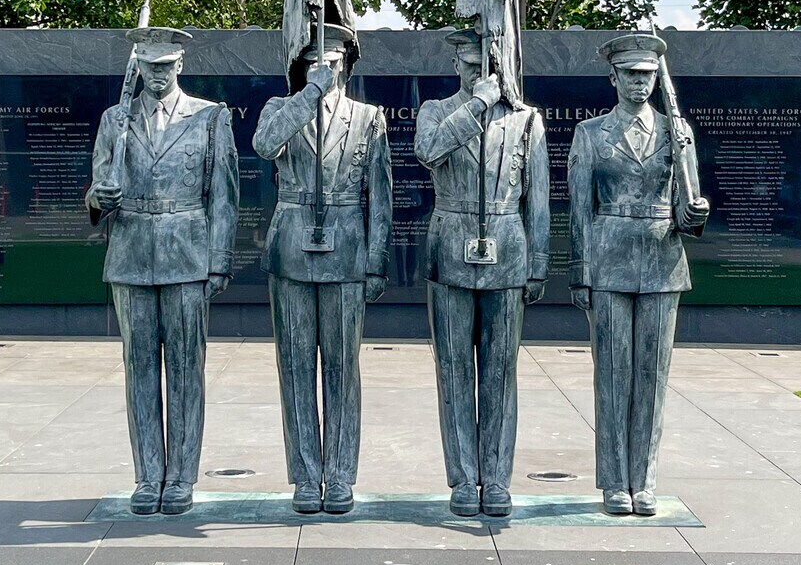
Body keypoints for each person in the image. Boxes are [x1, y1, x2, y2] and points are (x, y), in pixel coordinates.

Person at [86, 27, 239, 515]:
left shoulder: (210, 118)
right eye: (149, 66)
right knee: (140, 371)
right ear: (139, 67)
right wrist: (100, 199)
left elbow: (224, 196)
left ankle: (181, 478)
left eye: (165, 65)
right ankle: (148, 474)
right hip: (131, 253)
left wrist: (218, 261)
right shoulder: (116, 119)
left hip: (187, 252)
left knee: (186, 371)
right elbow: (96, 188)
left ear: (180, 66)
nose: (157, 75)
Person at [566, 32, 711, 515]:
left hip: (662, 260)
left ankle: (643, 479)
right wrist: (580, 271)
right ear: (613, 77)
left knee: (652, 376)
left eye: (647, 75)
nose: (639, 84)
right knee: (612, 375)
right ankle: (613, 481)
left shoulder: (678, 131)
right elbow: (579, 210)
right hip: (608, 258)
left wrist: (696, 210)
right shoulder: (590, 134)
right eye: (630, 74)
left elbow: (687, 213)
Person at [252, 27, 393, 515]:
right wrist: (308, 92)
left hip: (347, 247)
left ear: (347, 66)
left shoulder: (368, 118)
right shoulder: (280, 109)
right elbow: (265, 145)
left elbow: (382, 196)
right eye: (317, 60)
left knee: (341, 368)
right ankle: (305, 475)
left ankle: (340, 475)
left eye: (334, 61)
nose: (327, 68)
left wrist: (376, 262)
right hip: (291, 248)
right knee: (294, 368)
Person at [414, 28, 549, 518]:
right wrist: (477, 103)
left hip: (507, 249)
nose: (479, 74)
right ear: (456, 66)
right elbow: (428, 151)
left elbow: (537, 199)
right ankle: (462, 477)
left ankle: (496, 476)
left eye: (486, 66)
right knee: (452, 371)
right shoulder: (436, 111)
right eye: (470, 67)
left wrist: (538, 264)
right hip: (450, 248)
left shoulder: (526, 119)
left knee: (499, 371)